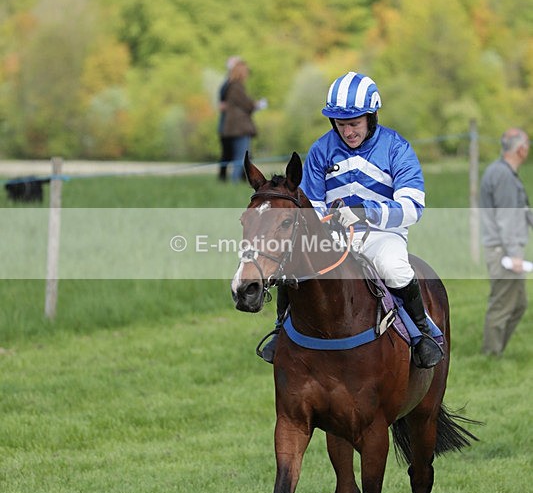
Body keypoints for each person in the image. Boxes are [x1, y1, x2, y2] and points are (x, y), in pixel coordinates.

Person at [260, 71, 443, 369]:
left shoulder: (397, 148)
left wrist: (364, 211)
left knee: (393, 268)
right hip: (332, 235)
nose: (348, 132)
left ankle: (422, 333)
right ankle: (281, 329)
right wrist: (326, 222)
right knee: (292, 261)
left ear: (371, 117)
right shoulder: (320, 150)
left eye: (355, 123)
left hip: (382, 234)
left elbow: (412, 207)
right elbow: (311, 202)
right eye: (341, 124)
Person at [480, 128, 532, 356]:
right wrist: (514, 255)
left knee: (518, 304)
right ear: (521, 149)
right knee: (502, 305)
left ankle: (495, 351)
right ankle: (490, 356)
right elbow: (507, 217)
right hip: (504, 251)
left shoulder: (504, 173)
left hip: (504, 248)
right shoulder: (502, 176)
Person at [221, 58, 267, 182]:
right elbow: (247, 105)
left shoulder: (231, 85)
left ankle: (235, 182)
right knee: (241, 158)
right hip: (239, 128)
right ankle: (235, 182)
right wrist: (258, 105)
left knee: (239, 157)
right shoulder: (237, 86)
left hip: (235, 128)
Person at [218, 55, 241, 181]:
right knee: (228, 154)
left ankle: (242, 178)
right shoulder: (229, 85)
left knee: (238, 154)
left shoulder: (231, 84)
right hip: (229, 126)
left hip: (232, 126)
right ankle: (225, 178)